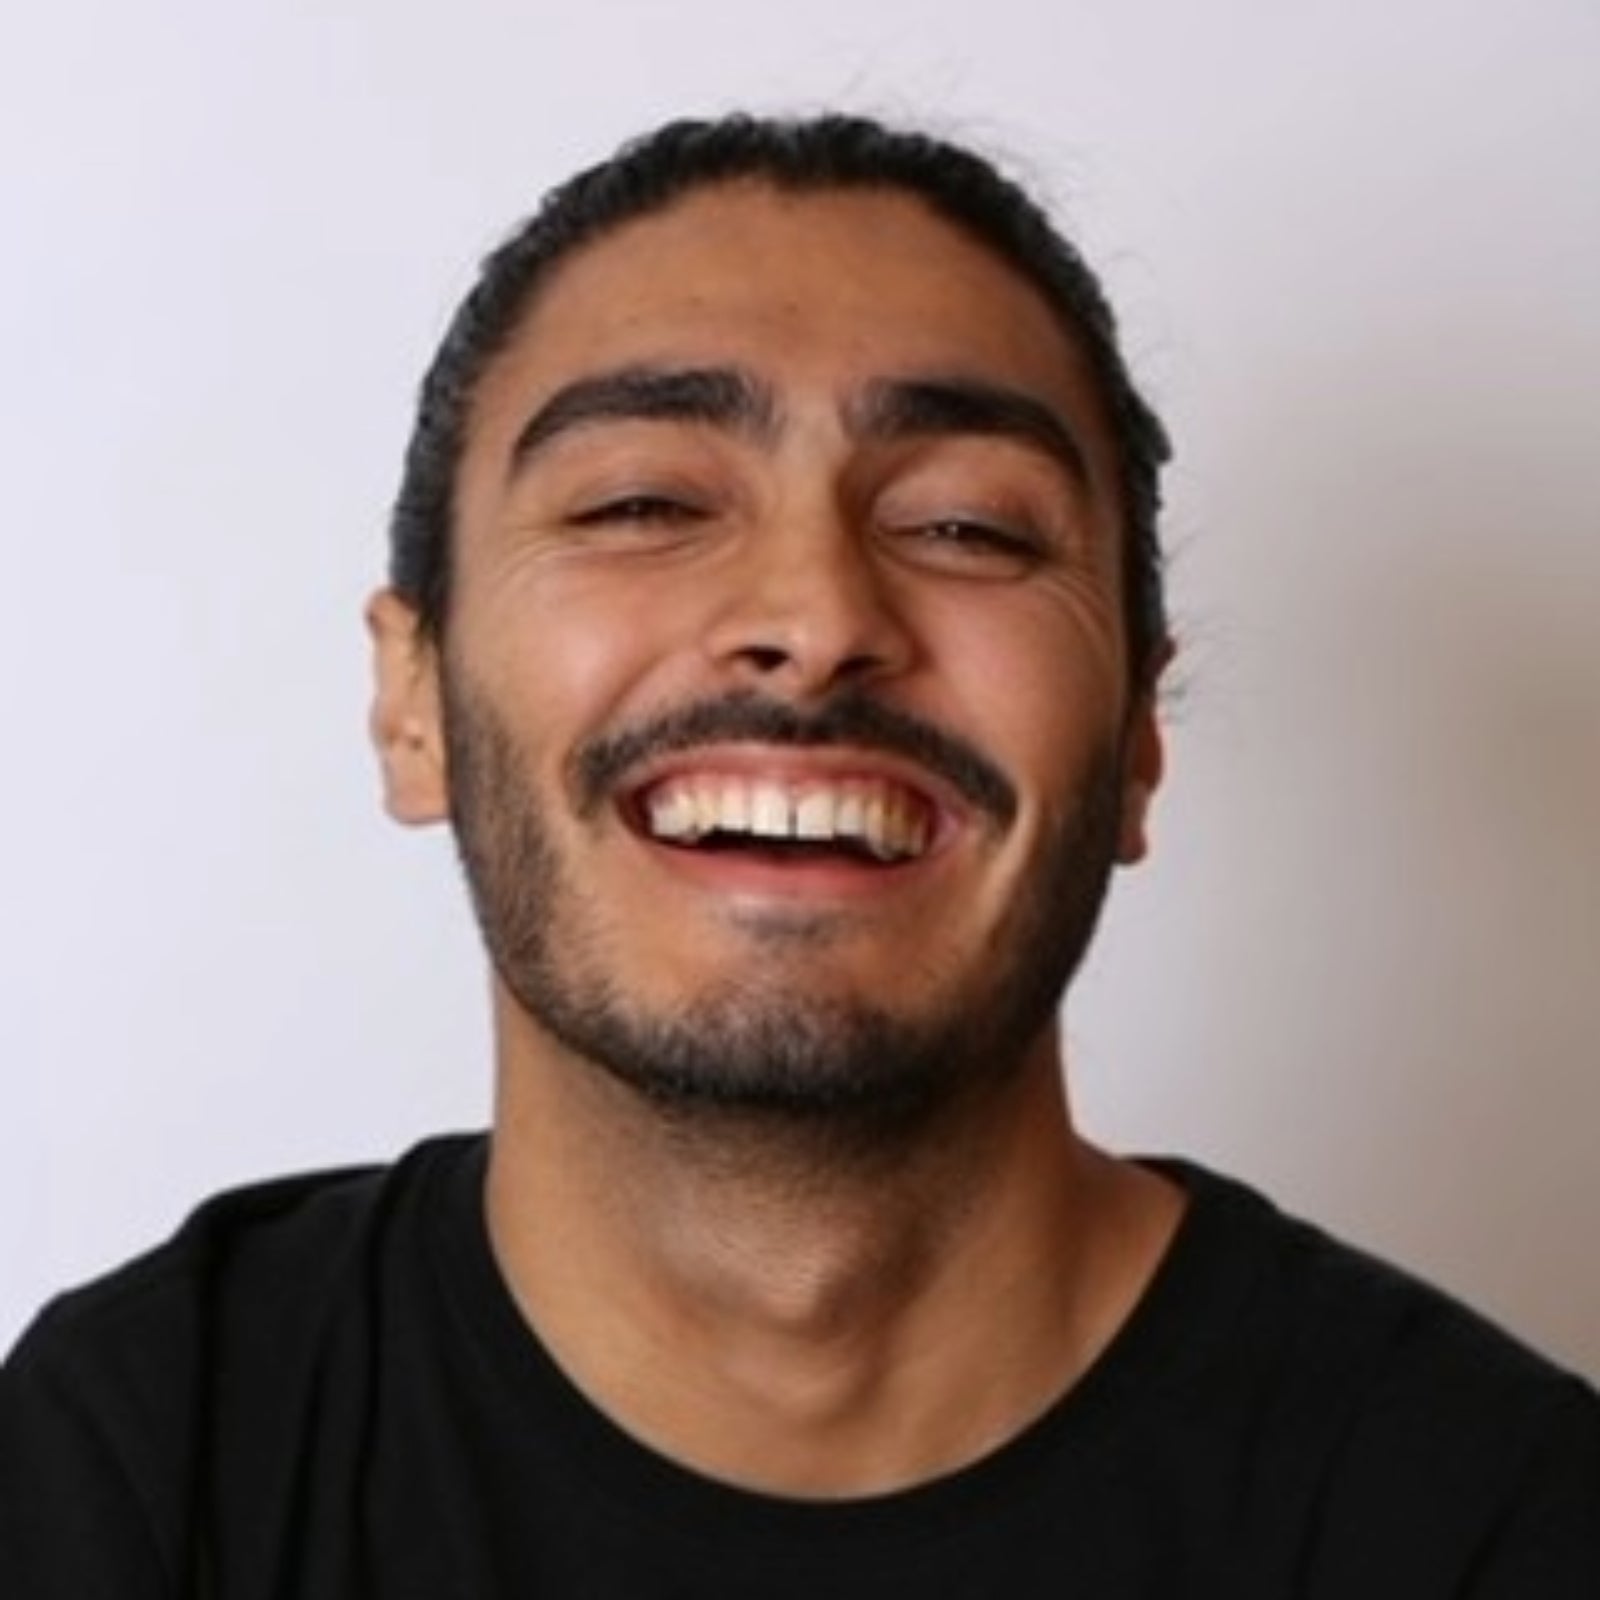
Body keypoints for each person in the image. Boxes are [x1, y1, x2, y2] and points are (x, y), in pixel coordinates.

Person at [2, 112, 1595, 1598]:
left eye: (967, 526)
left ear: (1132, 741)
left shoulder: (1496, 1518)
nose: (818, 619)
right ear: (412, 705)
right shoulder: (146, 1460)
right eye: (642, 502)